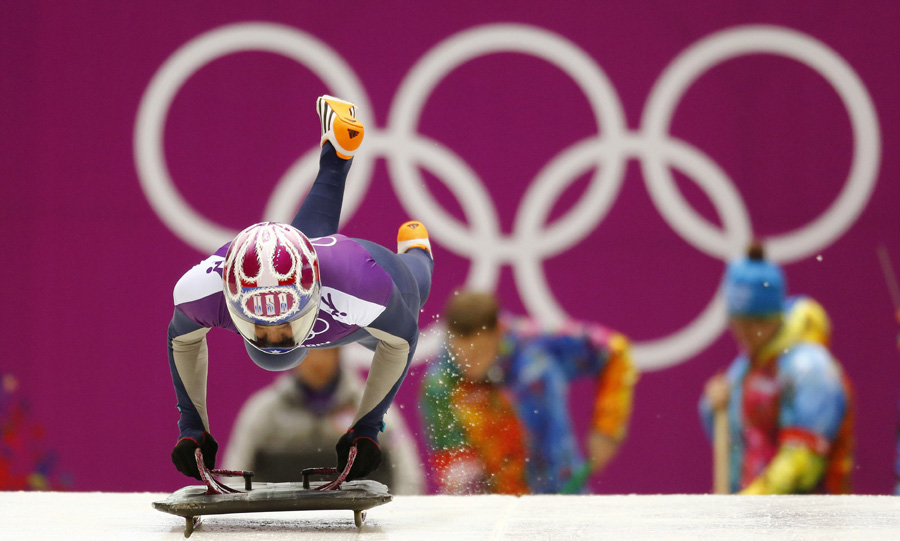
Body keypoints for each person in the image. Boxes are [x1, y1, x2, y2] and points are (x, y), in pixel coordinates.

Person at [166, 95, 434, 484]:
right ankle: (337, 154)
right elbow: (182, 340)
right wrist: (191, 428)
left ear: (311, 299)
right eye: (263, 327)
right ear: (231, 302)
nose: (276, 338)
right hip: (315, 278)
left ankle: (417, 249)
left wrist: (367, 427)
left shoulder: (358, 286)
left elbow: (402, 341)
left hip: (356, 282)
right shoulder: (201, 290)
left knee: (416, 292)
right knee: (274, 358)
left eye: (283, 326)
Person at [420, 291, 637, 494]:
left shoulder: (537, 343)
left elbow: (615, 350)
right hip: (497, 514)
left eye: (479, 352)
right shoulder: (440, 385)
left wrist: (607, 427)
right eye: (460, 353)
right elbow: (453, 466)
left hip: (565, 495)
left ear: (497, 333)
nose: (469, 365)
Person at [699, 243, 854, 494]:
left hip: (808, 523)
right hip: (756, 520)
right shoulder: (747, 366)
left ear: (777, 316)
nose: (747, 333)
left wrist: (753, 502)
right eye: (739, 322)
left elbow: (803, 462)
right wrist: (714, 408)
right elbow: (736, 445)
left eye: (757, 322)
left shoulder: (810, 367)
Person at [222, 347, 425, 494]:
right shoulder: (262, 411)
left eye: (325, 351)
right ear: (293, 356)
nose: (316, 361)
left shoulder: (375, 410)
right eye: (307, 352)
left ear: (338, 353)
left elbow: (407, 476)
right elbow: (234, 477)